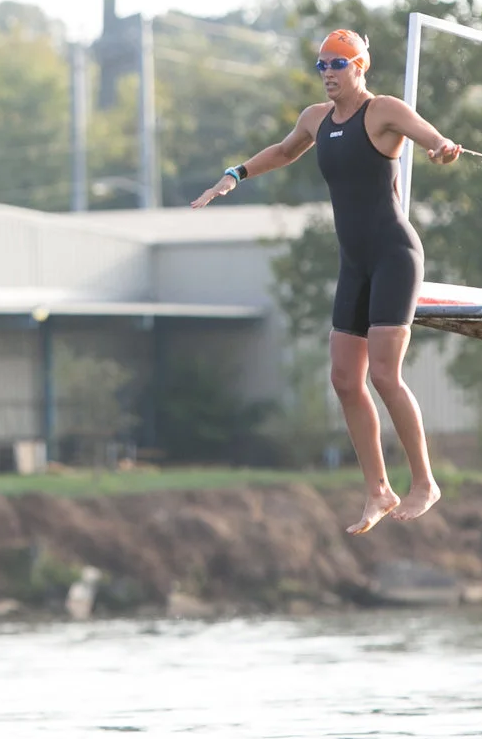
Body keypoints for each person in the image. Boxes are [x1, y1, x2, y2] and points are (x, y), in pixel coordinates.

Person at [191, 28, 461, 534]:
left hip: (394, 255)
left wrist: (441, 148)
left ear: (360, 66)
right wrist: (235, 175)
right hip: (354, 262)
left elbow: (428, 136)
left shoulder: (382, 111)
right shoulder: (315, 119)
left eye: (337, 64)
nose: (328, 73)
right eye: (322, 65)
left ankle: (425, 482)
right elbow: (283, 151)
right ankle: (379, 490)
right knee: (344, 379)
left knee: (385, 375)